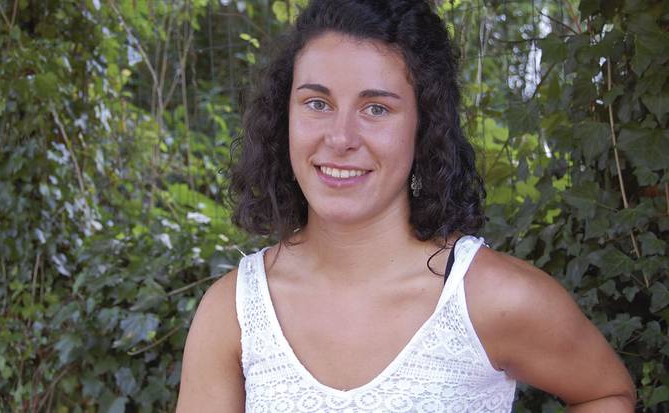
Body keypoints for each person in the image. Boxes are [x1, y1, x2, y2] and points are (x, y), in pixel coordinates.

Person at [175, 0, 636, 411]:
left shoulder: (491, 299)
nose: (340, 138)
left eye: (376, 108)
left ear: (424, 126)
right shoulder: (233, 313)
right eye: (317, 103)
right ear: (284, 117)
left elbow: (606, 395)